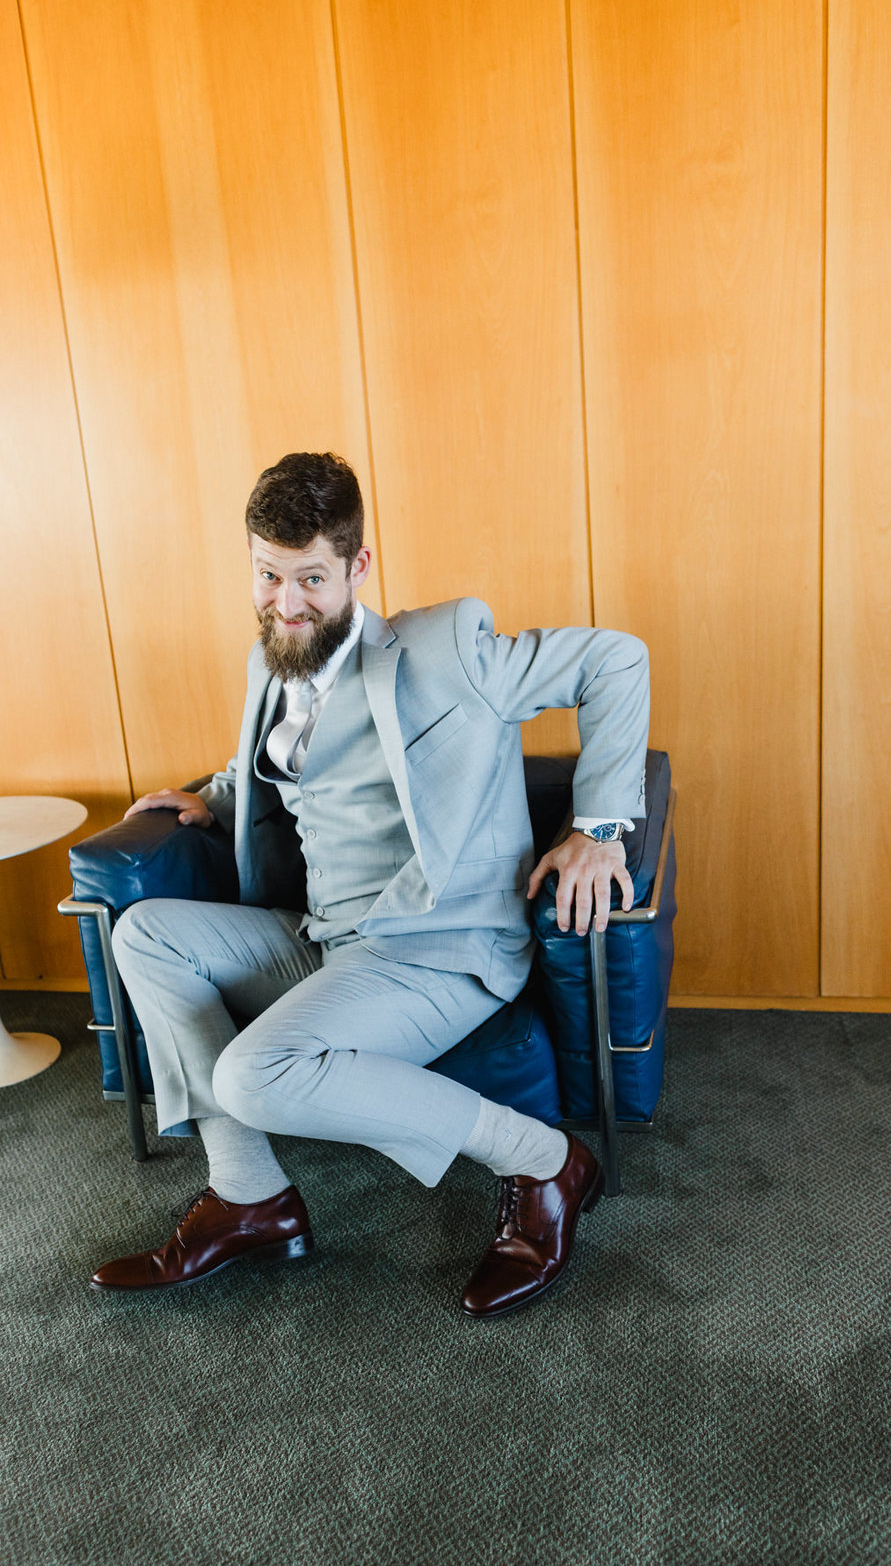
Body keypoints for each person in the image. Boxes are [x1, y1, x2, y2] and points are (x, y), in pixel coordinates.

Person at [90, 453, 649, 1317]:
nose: (286, 601)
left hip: (436, 952)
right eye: (268, 575)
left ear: (357, 566)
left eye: (310, 577)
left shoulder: (444, 650)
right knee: (144, 935)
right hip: (326, 942)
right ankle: (251, 1196)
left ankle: (543, 1160)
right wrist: (212, 796)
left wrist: (596, 828)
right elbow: (282, 768)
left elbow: (616, 661)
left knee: (253, 1075)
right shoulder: (269, 660)